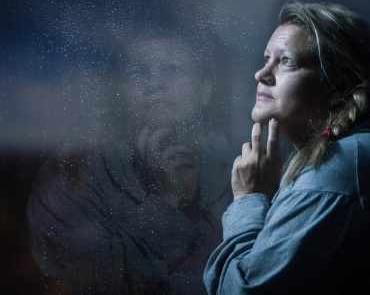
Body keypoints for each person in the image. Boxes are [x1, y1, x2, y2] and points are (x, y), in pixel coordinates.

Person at [27, 24, 232, 295]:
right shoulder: (71, 179)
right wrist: (165, 204)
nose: (155, 83)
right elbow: (80, 284)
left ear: (205, 89)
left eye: (171, 69)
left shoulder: (249, 170)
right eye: (138, 71)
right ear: (117, 92)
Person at [203, 1, 370, 295]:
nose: (261, 73)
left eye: (287, 61)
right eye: (266, 58)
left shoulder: (332, 172)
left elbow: (242, 291)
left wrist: (249, 198)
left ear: (339, 88)